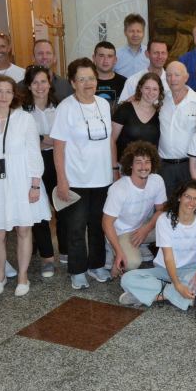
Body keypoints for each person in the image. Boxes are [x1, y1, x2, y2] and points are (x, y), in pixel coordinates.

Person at [0, 75, 50, 297]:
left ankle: (23, 276)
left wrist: (35, 185)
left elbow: (34, 153)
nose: (4, 96)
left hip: (21, 180)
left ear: (14, 95)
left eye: (8, 91)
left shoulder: (24, 119)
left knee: (24, 229)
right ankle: (0, 275)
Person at [51, 58, 115, 290]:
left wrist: (114, 169)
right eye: (82, 79)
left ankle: (96, 264)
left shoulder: (103, 104)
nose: (88, 83)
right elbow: (58, 148)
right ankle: (77, 270)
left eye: (91, 78)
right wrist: (62, 180)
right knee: (76, 227)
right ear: (73, 82)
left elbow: (109, 141)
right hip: (76, 178)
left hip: (102, 178)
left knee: (98, 224)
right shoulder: (65, 108)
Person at [118, 180, 196, 321]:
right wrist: (177, 285)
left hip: (192, 270)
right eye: (188, 197)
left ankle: (152, 295)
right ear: (179, 197)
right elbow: (168, 258)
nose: (191, 202)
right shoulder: (165, 220)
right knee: (127, 279)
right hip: (165, 269)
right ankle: (176, 295)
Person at [102, 141, 166, 274]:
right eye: (138, 162)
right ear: (130, 165)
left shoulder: (157, 181)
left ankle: (139, 245)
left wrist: (146, 229)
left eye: (147, 161)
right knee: (132, 263)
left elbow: (162, 210)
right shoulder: (119, 189)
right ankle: (112, 247)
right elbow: (106, 223)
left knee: (173, 225)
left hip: (141, 228)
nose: (144, 166)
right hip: (120, 232)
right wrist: (120, 253)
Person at [23, 65, 63, 278]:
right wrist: (45, 139)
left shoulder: (60, 106)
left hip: (57, 160)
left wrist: (41, 139)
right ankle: (47, 257)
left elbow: (64, 138)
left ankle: (65, 250)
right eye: (35, 82)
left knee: (62, 206)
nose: (40, 86)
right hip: (32, 163)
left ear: (50, 83)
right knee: (39, 211)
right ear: (29, 85)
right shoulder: (21, 110)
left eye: (44, 81)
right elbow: (25, 141)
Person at [158, 61, 196, 196]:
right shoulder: (161, 99)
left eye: (177, 75)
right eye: (168, 75)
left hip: (189, 165)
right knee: (165, 206)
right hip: (164, 166)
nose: (172, 79)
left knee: (188, 204)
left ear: (186, 77)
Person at [112, 72, 162, 161]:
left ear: (159, 92)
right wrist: (114, 167)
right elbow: (111, 141)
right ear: (140, 88)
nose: (151, 92)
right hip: (123, 167)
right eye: (147, 88)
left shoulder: (159, 115)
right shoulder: (125, 109)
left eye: (155, 89)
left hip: (147, 168)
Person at [92, 41, 127, 106]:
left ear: (115, 60)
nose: (105, 60)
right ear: (94, 58)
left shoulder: (125, 82)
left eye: (110, 56)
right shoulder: (86, 82)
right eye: (101, 56)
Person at [114, 13, 148, 78]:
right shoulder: (116, 54)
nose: (135, 35)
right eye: (131, 31)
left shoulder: (150, 54)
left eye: (138, 31)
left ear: (143, 33)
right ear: (125, 32)